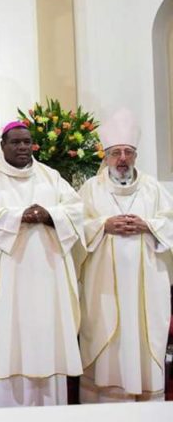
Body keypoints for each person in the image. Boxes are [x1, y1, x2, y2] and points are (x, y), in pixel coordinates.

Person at [0, 121, 84, 407]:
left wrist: (49, 214)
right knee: (5, 333)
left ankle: (47, 405)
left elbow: (77, 209)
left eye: (27, 142)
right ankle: (4, 406)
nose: (22, 147)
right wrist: (18, 216)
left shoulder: (51, 176)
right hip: (6, 274)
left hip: (47, 272)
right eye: (16, 142)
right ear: (3, 146)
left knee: (46, 331)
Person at [78, 109, 173, 403]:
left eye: (128, 152)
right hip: (103, 284)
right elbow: (75, 228)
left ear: (135, 156)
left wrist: (149, 225)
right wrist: (102, 225)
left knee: (145, 338)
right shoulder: (89, 189)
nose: (122, 159)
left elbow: (170, 221)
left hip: (147, 285)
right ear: (105, 156)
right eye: (116, 152)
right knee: (107, 333)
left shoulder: (153, 188)